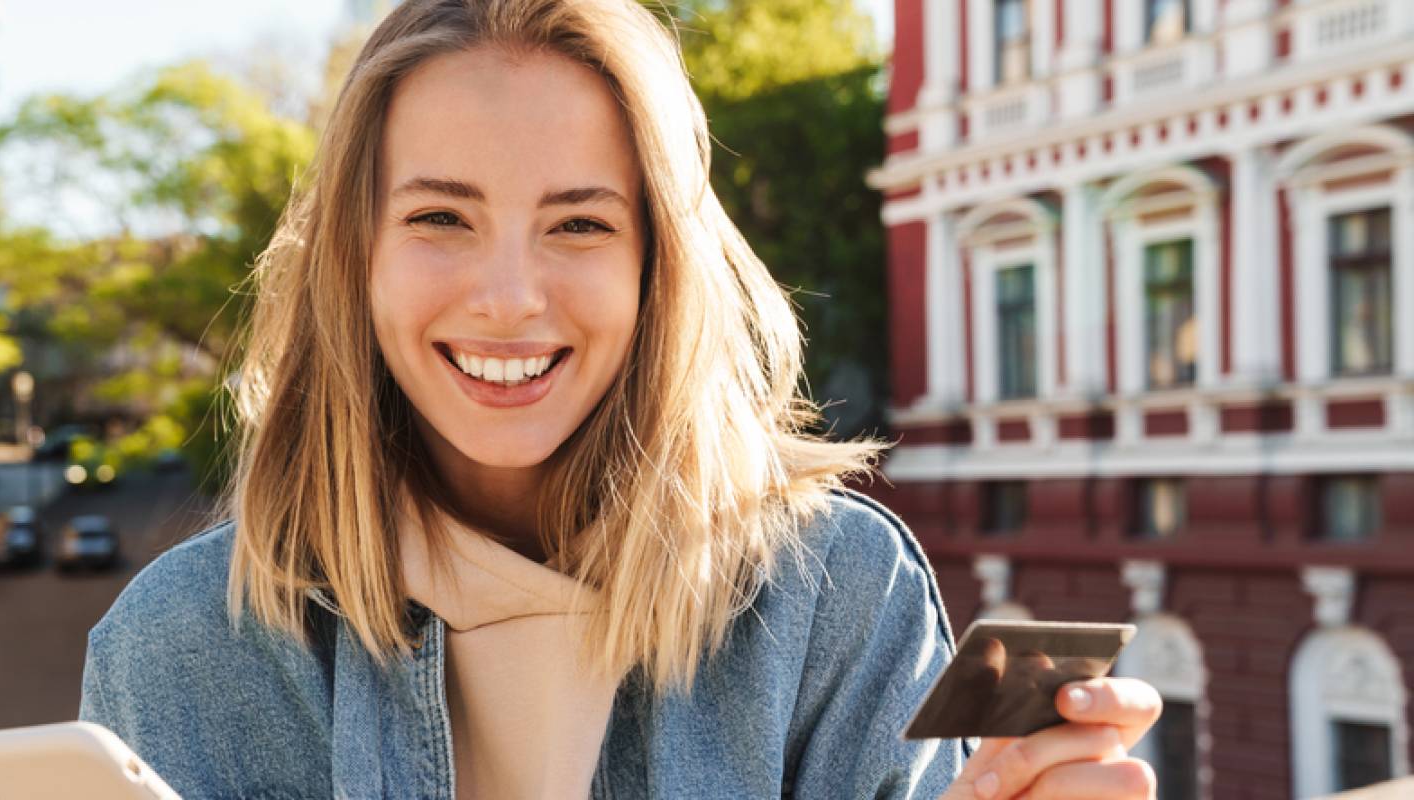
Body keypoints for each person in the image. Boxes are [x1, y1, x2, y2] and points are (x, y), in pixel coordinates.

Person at [79, 0, 1163, 797]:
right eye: (440, 219)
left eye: (581, 223)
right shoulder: (176, 645)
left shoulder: (836, 596)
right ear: (354, 258)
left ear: (661, 269)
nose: (509, 299)